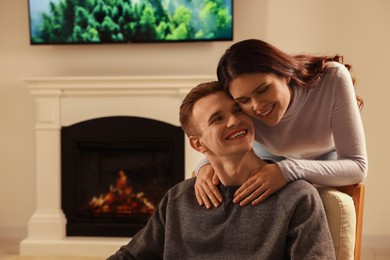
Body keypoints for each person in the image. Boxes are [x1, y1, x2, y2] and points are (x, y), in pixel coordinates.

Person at [107, 81, 336, 259]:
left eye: (238, 110)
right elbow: (131, 256)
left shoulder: (297, 197)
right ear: (198, 144)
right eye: (217, 119)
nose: (234, 121)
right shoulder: (179, 198)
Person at [194, 39, 368, 209]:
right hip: (265, 158)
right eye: (244, 100)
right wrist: (205, 165)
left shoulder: (332, 78)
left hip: (324, 158)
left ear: (285, 74)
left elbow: (357, 166)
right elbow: (221, 135)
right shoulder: (241, 106)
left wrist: (286, 170)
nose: (257, 106)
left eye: (263, 89)